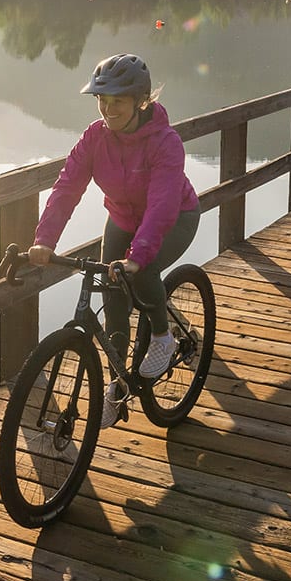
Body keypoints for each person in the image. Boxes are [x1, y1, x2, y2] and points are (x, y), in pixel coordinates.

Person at [29, 53, 201, 387]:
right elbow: (67, 187)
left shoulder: (166, 143)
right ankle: (117, 381)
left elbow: (162, 205)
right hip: (122, 218)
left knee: (143, 271)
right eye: (102, 100)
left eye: (118, 101)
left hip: (177, 216)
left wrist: (137, 257)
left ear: (140, 101)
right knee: (112, 296)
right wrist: (44, 241)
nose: (108, 110)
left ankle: (163, 336)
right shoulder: (95, 137)